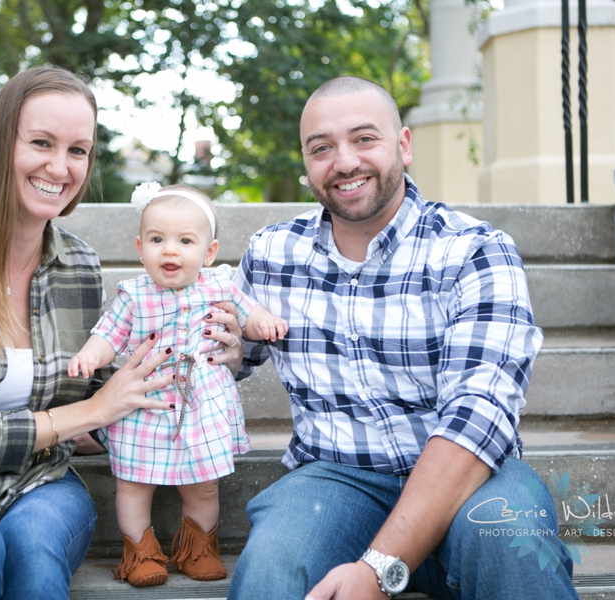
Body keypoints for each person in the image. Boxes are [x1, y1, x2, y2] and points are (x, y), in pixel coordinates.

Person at [0, 67, 246, 600]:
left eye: (78, 150)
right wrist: (89, 413)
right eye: (41, 143)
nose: (60, 166)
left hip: (39, 483)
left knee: (33, 549)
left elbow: (120, 383)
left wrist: (222, 358)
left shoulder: (77, 262)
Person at [227, 76, 579, 600]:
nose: (344, 161)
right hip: (333, 479)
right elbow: (223, 352)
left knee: (512, 544)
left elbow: (477, 416)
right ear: (305, 163)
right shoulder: (272, 254)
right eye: (321, 148)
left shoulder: (474, 251)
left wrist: (377, 569)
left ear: (404, 145)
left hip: (473, 477)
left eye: (364, 139)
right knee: (272, 570)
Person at [68, 182, 288, 587]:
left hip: (202, 408)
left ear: (208, 252)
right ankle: (139, 553)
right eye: (157, 239)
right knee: (134, 487)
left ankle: (198, 549)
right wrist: (90, 355)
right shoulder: (134, 296)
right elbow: (108, 336)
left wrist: (263, 323)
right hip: (143, 407)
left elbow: (249, 312)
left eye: (184, 241)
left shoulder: (219, 286)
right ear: (139, 248)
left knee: (203, 488)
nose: (170, 250)